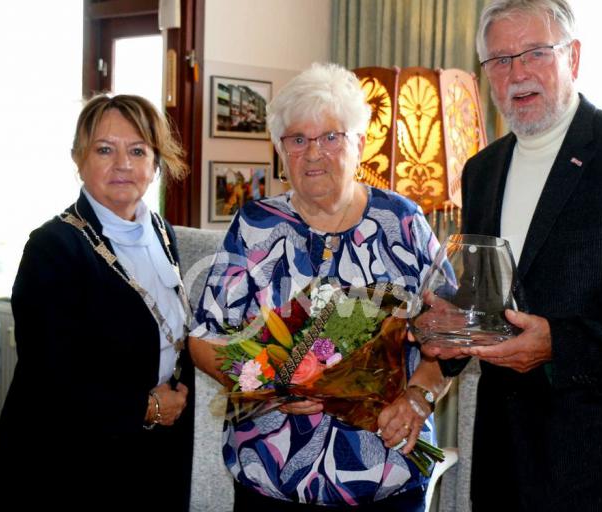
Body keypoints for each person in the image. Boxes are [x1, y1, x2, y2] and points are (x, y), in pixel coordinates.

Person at [424, 1, 602, 511]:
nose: (517, 73)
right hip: (507, 461)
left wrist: (561, 345)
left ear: (573, 58)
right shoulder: (481, 171)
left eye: (535, 53)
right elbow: (489, 300)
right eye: (500, 60)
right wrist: (455, 327)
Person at [189, 62, 448, 511]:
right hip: (271, 477)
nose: (314, 153)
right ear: (281, 150)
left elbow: (449, 337)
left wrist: (418, 398)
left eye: (331, 137)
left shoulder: (403, 222)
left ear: (361, 144)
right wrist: (270, 385)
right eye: (297, 139)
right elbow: (203, 339)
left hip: (386, 475)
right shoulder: (255, 226)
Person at [0, 94, 194, 511]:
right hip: (70, 465)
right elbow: (51, 379)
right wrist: (147, 407)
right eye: (104, 150)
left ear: (156, 163)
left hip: (150, 455)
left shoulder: (162, 232)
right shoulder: (53, 247)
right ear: (79, 159)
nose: (123, 164)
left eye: (137, 150)